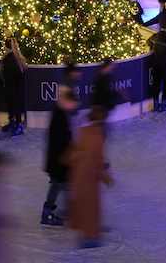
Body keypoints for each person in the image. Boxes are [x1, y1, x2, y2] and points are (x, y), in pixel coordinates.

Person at [68, 104, 113, 249]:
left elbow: (76, 153)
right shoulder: (95, 136)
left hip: (81, 177)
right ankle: (89, 237)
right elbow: (95, 161)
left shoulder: (84, 132)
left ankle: (89, 233)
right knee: (90, 207)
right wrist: (105, 177)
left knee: (87, 207)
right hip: (88, 179)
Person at [41, 86, 76, 227]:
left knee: (61, 185)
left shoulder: (59, 112)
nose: (74, 107)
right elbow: (60, 141)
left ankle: (62, 211)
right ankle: (48, 213)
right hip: (58, 161)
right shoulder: (59, 116)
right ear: (67, 101)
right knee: (58, 185)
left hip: (58, 160)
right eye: (72, 103)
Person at [2, 36, 27, 136]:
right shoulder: (16, 57)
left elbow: (10, 74)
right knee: (13, 107)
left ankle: (18, 125)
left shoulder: (10, 59)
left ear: (6, 47)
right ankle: (13, 123)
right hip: (14, 88)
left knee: (14, 107)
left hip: (13, 88)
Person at [148, 27, 166, 112]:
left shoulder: (156, 36)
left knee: (156, 84)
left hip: (156, 64)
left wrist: (153, 48)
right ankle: (164, 104)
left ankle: (155, 104)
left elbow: (148, 41)